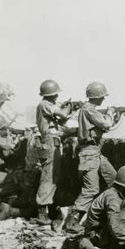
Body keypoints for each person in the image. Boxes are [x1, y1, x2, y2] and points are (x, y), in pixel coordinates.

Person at [66, 82, 118, 233]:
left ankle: (110, 214)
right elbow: (106, 124)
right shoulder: (89, 110)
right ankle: (73, 220)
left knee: (115, 179)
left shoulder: (89, 109)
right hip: (89, 154)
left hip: (96, 152)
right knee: (91, 189)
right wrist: (111, 113)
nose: (103, 99)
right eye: (102, 96)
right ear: (97, 97)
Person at [78, 165, 125, 249]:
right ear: (124, 186)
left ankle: (124, 245)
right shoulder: (113, 198)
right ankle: (117, 247)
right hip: (96, 236)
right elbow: (116, 230)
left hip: (105, 231)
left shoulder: (118, 195)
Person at [34, 80, 74, 225]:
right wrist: (69, 107)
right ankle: (42, 213)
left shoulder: (47, 106)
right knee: (48, 177)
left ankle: (47, 209)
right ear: (51, 94)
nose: (57, 96)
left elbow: (59, 123)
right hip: (49, 143)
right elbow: (62, 115)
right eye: (56, 94)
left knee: (54, 176)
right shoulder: (45, 104)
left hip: (52, 142)